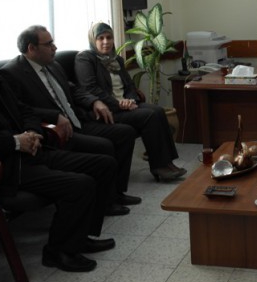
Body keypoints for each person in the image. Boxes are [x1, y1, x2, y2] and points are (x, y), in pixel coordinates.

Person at [0, 31, 117, 272]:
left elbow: (25, 111)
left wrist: (32, 133)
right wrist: (15, 142)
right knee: (80, 185)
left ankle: (79, 237)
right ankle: (58, 252)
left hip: (29, 153)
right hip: (2, 169)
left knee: (103, 164)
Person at [0, 25, 138, 215]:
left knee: (125, 133)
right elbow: (20, 109)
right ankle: (106, 202)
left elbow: (74, 90)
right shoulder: (11, 73)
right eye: (49, 44)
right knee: (103, 146)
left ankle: (116, 193)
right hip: (56, 131)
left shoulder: (53, 65)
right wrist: (54, 116)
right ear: (31, 48)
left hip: (77, 120)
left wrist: (94, 101)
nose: (54, 47)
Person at [74, 22, 186, 182]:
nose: (106, 42)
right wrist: (118, 103)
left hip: (125, 105)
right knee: (149, 116)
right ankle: (159, 166)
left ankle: (167, 163)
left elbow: (130, 85)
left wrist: (130, 100)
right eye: (101, 38)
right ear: (93, 40)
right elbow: (91, 89)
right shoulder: (85, 59)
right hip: (107, 110)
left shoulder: (117, 60)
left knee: (158, 111)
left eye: (109, 37)